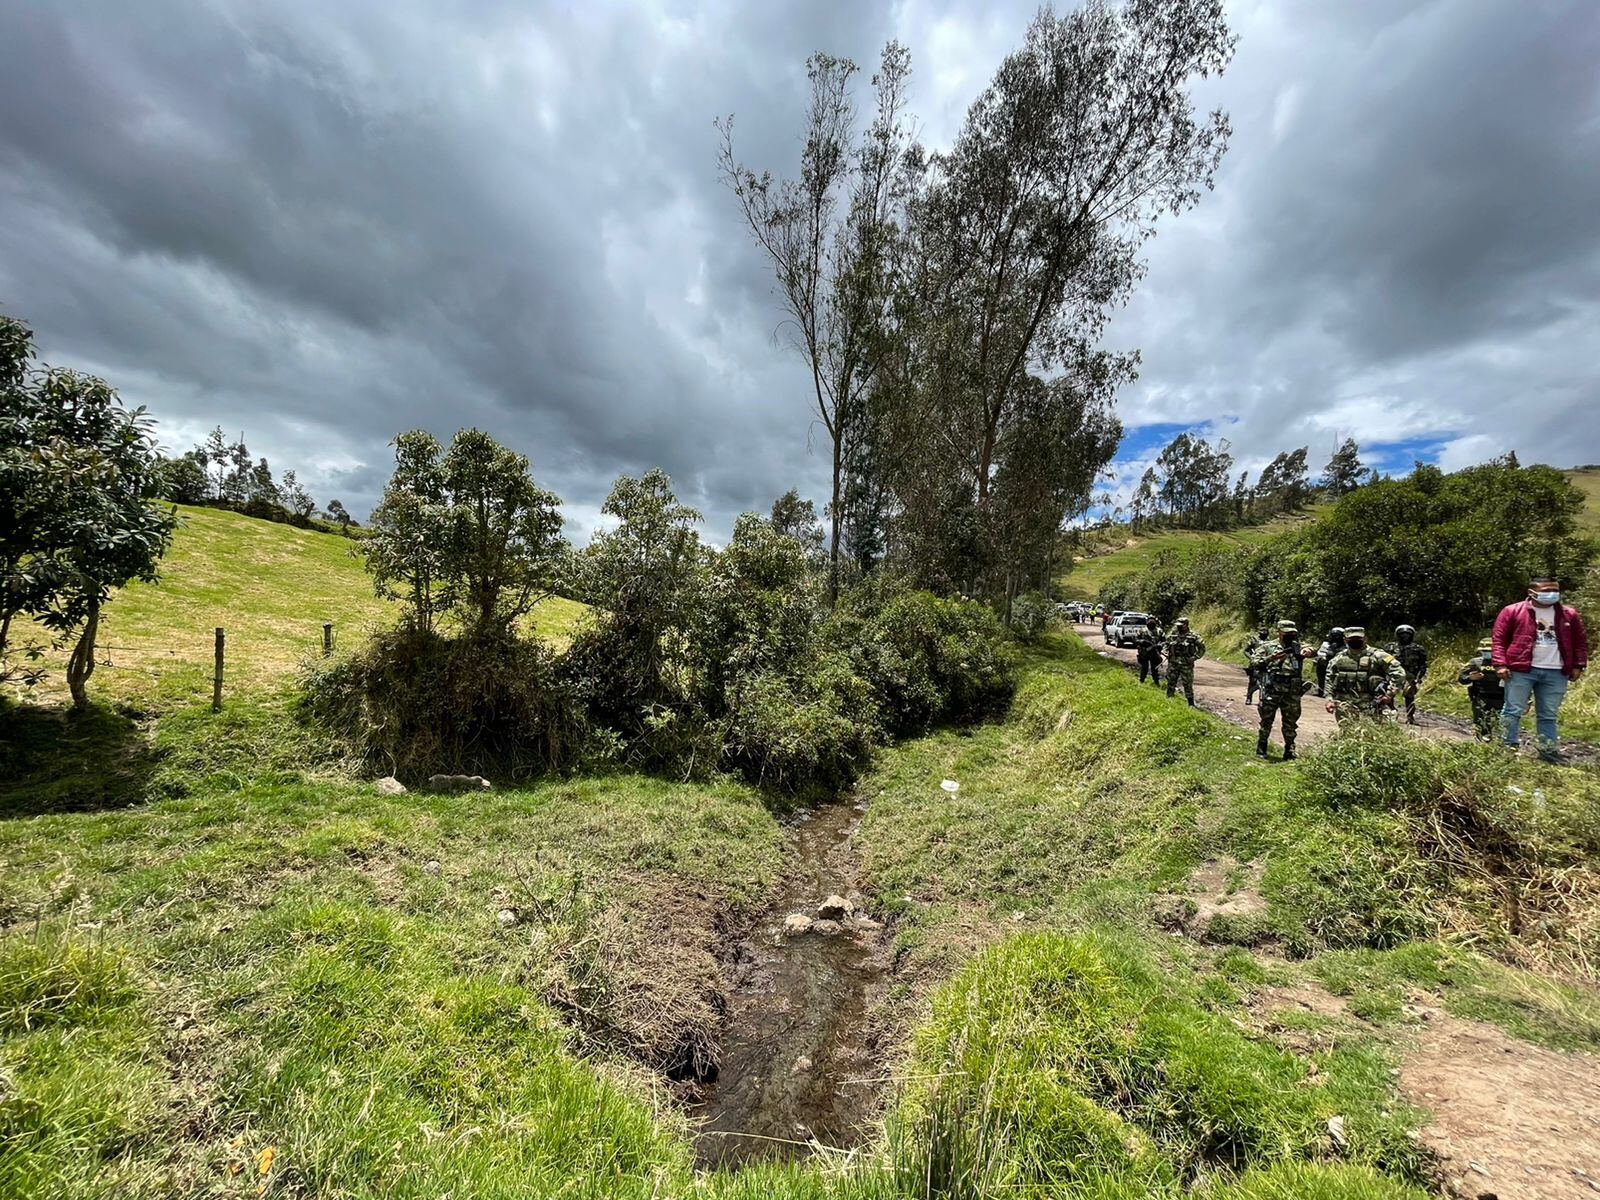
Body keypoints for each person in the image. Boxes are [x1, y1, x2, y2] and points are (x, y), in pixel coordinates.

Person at [1492, 576, 1588, 761]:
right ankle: (1506, 749)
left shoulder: (1569, 614)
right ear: (1531, 592)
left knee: (1548, 714)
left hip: (1556, 672)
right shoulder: (1512, 611)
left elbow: (1579, 642)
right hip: (1521, 670)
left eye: (1555, 590)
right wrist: (1500, 664)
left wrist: (1578, 665)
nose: (1551, 594)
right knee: (1512, 710)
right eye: (1546, 591)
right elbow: (1499, 640)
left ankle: (1548, 751)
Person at [1252, 619, 1316, 760]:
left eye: (1292, 633)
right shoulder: (1268, 646)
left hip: (1292, 692)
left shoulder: (1298, 646)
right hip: (1272, 689)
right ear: (1279, 632)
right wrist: (1271, 658)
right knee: (1266, 720)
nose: (1290, 635)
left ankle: (1289, 750)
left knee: (1291, 722)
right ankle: (1262, 747)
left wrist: (1307, 652)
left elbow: (1313, 650)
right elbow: (1254, 663)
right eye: (1287, 633)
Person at [1325, 626, 1406, 724]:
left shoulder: (1378, 655)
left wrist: (1389, 694)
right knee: (1348, 734)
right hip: (1346, 705)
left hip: (1374, 704)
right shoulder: (1338, 658)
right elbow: (1329, 678)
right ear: (1345, 640)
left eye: (1358, 639)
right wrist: (1329, 699)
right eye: (1351, 639)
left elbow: (1399, 673)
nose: (1355, 641)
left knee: (1377, 734)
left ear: (1365, 639)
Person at [1458, 637, 1504, 742]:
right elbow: (1461, 678)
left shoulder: (1504, 663)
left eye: (1489, 651)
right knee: (1481, 725)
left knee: (1501, 727)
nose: (1486, 653)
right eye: (1484, 651)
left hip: (1500, 699)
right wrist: (1470, 678)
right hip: (1480, 698)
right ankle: (1482, 746)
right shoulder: (1474, 662)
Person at [1387, 624, 1429, 726]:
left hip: (1410, 676)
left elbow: (1422, 665)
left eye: (1407, 634)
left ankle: (1410, 717)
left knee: (1409, 697)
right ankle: (1392, 713)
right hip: (1394, 675)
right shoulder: (1390, 647)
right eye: (1402, 634)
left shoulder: (1418, 649)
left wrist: (1419, 677)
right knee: (1389, 694)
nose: (1405, 636)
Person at [1163, 617, 1206, 706]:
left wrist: (1195, 657)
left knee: (1187, 684)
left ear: (1186, 625)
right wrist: (1165, 652)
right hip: (1173, 662)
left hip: (1186, 664)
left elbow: (1202, 648)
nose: (1178, 627)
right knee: (1171, 681)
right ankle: (1169, 699)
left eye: (1181, 626)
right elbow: (1165, 645)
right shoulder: (1173, 635)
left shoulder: (1193, 636)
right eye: (1178, 626)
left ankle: (1190, 704)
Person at [1314, 627, 1346, 698]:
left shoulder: (1346, 647)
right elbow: (1320, 655)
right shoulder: (1325, 644)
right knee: (1321, 672)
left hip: (1338, 667)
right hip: (1324, 665)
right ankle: (1321, 690)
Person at [1243, 625, 1269, 705]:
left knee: (1265, 682)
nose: (1264, 634)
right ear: (1259, 633)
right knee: (1252, 682)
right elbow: (1245, 651)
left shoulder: (1270, 642)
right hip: (1254, 665)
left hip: (1265, 664)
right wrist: (1251, 658)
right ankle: (1249, 698)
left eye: (1265, 633)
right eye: (1262, 633)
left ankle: (1263, 699)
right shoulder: (1254, 640)